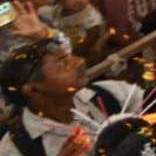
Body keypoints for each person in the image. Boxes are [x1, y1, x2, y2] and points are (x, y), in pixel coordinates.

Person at [0, 40, 139, 156]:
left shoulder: (108, 94)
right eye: (63, 62)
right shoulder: (16, 148)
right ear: (32, 89)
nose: (79, 62)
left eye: (70, 56)